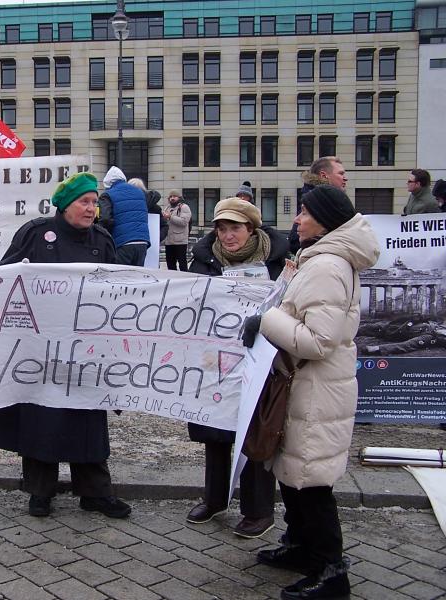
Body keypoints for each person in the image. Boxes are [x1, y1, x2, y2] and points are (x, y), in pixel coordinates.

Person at [243, 185, 380, 600]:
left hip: (317, 391)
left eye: (304, 213)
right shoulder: (319, 260)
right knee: (294, 473)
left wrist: (267, 320)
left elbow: (319, 341)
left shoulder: (328, 266)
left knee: (311, 483)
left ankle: (331, 570)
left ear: (325, 220)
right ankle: (301, 547)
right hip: (305, 388)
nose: (297, 220)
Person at [0, 172, 131, 520]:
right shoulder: (36, 233)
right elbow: (3, 276)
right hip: (41, 349)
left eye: (95, 202)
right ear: (65, 205)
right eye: (84, 202)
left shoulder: (101, 239)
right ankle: (40, 492)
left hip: (86, 349)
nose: (91, 208)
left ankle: (95, 493)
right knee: (42, 417)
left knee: (87, 417)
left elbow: (121, 285)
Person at [186, 197, 289, 538]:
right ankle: (214, 498)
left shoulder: (277, 264)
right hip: (213, 361)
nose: (228, 236)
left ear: (251, 229)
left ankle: (259, 510)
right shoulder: (203, 262)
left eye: (235, 228)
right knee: (214, 432)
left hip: (260, 361)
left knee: (254, 432)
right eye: (222, 228)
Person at [288, 157, 347, 255]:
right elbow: (296, 240)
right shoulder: (318, 200)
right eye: (340, 173)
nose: (345, 178)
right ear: (324, 175)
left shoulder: (324, 198)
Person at [98, 166, 150, 266]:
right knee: (137, 277)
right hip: (142, 241)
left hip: (122, 242)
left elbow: (104, 219)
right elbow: (155, 196)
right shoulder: (140, 192)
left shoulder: (107, 195)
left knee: (120, 278)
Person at [128, 177, 168, 242]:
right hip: (150, 243)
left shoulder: (125, 206)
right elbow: (164, 226)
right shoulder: (155, 208)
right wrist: (157, 238)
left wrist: (158, 237)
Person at [162, 190, 192, 271]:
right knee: (170, 264)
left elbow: (184, 222)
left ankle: (184, 280)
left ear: (179, 198)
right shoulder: (167, 208)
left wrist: (170, 217)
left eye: (174, 196)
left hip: (180, 241)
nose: (172, 198)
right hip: (169, 241)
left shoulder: (184, 207)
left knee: (182, 264)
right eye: (170, 197)